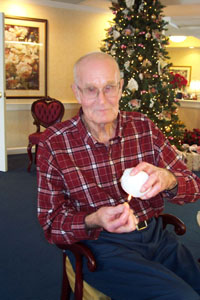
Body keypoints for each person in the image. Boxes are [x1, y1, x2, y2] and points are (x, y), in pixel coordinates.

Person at [37, 52, 200, 300]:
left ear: (121, 87)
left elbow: (194, 187)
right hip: (103, 246)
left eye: (109, 87)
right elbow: (51, 224)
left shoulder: (143, 127)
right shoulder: (54, 144)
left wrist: (169, 179)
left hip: (156, 236)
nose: (102, 100)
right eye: (91, 90)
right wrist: (94, 219)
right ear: (77, 92)